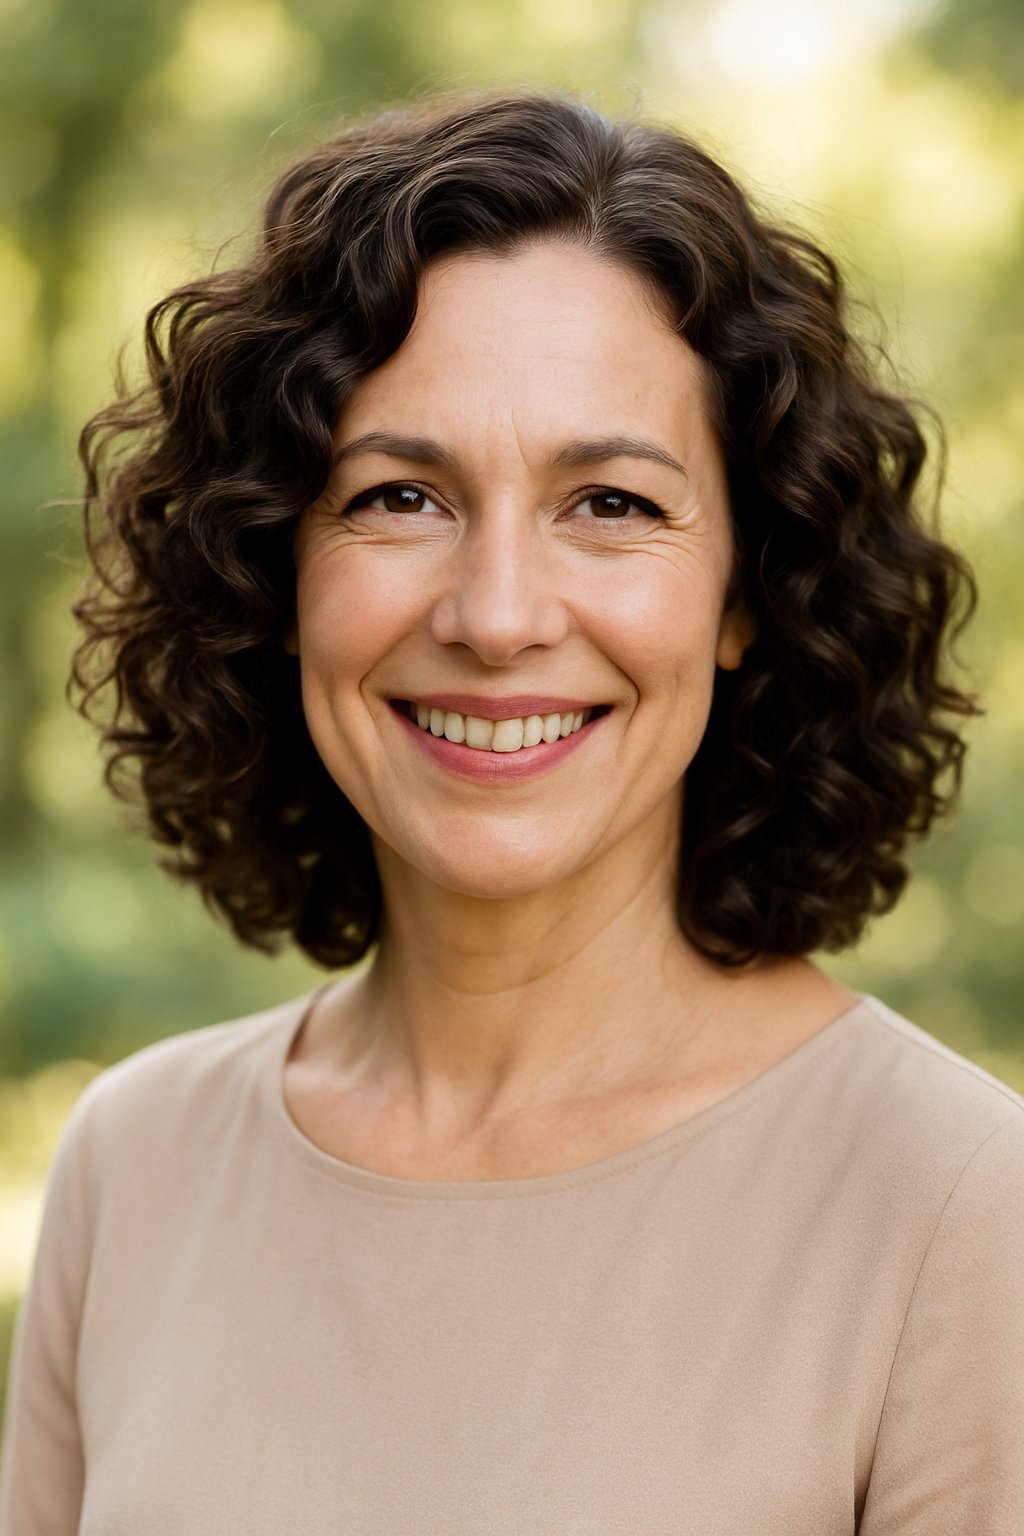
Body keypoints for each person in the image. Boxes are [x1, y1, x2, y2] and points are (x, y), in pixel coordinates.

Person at [1, 91, 1021, 1535]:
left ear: (745, 590)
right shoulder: (133, 1167)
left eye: (609, 504)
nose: (495, 616)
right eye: (400, 495)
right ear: (274, 571)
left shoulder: (964, 1214)